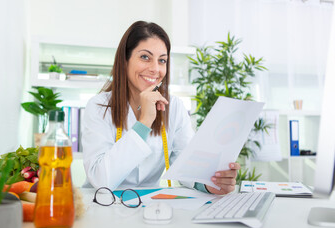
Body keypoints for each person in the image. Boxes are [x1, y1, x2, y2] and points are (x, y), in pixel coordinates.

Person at [82, 21, 240, 195]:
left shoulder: (175, 108)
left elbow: (187, 166)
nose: (155, 69)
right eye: (145, 57)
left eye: (162, 60)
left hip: (147, 205)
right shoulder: (98, 106)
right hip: (101, 205)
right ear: (125, 60)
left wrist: (208, 184)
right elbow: (101, 180)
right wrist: (144, 122)